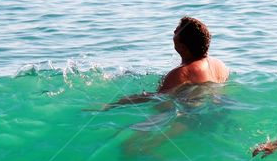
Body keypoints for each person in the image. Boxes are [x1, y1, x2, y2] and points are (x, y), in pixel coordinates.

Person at [98, 16, 229, 109]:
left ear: (183, 47)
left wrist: (113, 105)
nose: (173, 32)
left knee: (130, 146)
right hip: (213, 108)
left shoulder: (181, 73)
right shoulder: (219, 65)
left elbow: (157, 98)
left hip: (190, 114)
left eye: (177, 31)